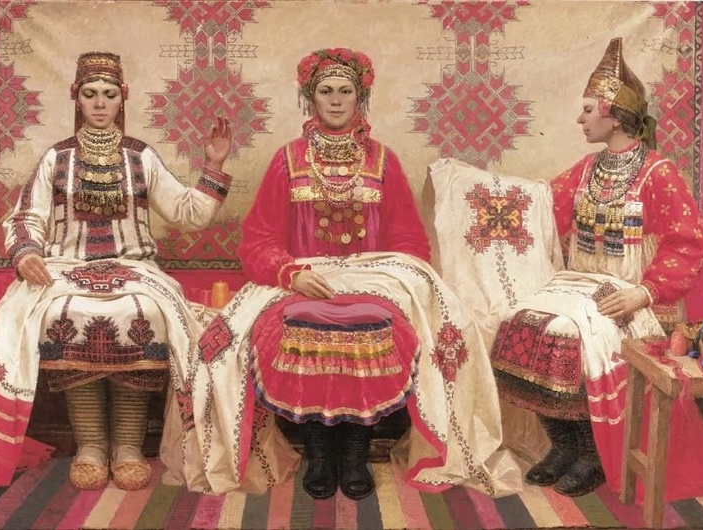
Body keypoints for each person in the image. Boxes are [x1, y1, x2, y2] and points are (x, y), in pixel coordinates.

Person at [160, 47, 522, 500]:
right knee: (275, 332)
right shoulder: (287, 159)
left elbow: (410, 242)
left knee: (382, 327)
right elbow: (258, 241)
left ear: (360, 97)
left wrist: (388, 282)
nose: (335, 100)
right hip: (300, 283)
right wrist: (290, 273)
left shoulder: (384, 161)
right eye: (326, 91)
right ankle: (318, 451)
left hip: (373, 284)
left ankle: (354, 452)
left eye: (345, 92)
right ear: (310, 98)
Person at [0, 51, 234, 491]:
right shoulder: (57, 158)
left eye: (109, 94)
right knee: (62, 314)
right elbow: (26, 217)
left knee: (146, 313)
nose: (100, 103)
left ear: (122, 98)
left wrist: (214, 166)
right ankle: (89, 445)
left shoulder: (141, 157)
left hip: (134, 269)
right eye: (91, 94)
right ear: (77, 98)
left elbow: (189, 213)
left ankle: (127, 447)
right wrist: (27, 254)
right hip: (65, 270)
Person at [490, 38, 703, 497]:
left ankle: (592, 453)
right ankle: (564, 445)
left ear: (613, 115)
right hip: (578, 285)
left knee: (567, 336)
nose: (580, 119)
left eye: (588, 110)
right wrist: (480, 196)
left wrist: (644, 292)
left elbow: (688, 242)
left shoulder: (658, 172)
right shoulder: (587, 169)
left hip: (634, 296)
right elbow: (538, 207)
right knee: (520, 321)